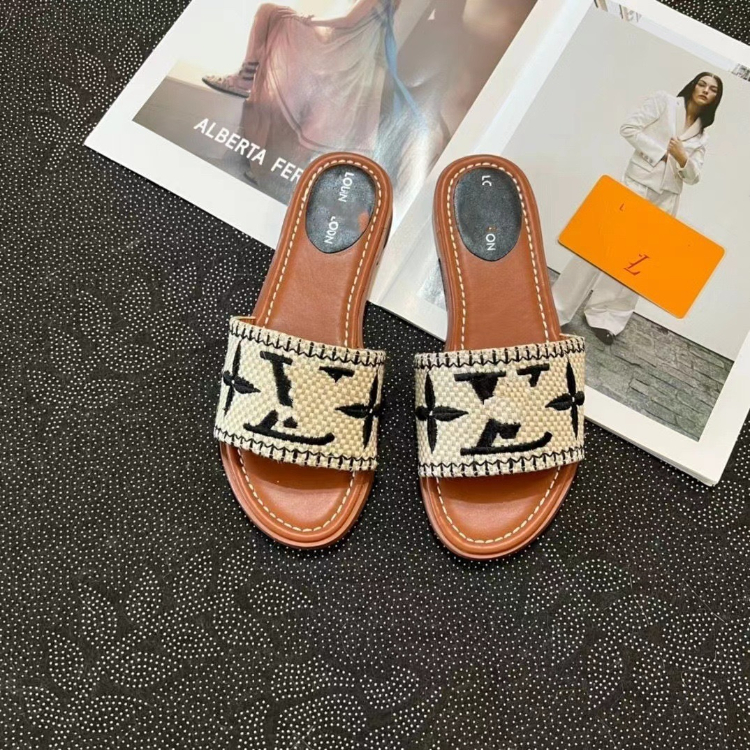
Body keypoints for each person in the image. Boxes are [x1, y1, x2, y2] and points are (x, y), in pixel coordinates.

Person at [552, 72, 723, 344]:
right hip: (635, 185)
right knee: (596, 247)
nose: (705, 90)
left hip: (666, 199)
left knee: (635, 262)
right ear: (693, 86)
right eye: (702, 84)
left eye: (712, 89)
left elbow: (694, 177)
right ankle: (558, 307)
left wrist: (682, 158)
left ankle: (606, 317)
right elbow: (629, 128)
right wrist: (662, 153)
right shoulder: (664, 102)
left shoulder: (703, 136)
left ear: (716, 98)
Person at [202, 0, 417, 185]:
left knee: (269, 12)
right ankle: (273, 177)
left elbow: (348, 21)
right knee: (310, 128)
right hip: (349, 62)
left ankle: (244, 77)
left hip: (336, 54)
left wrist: (310, 20)